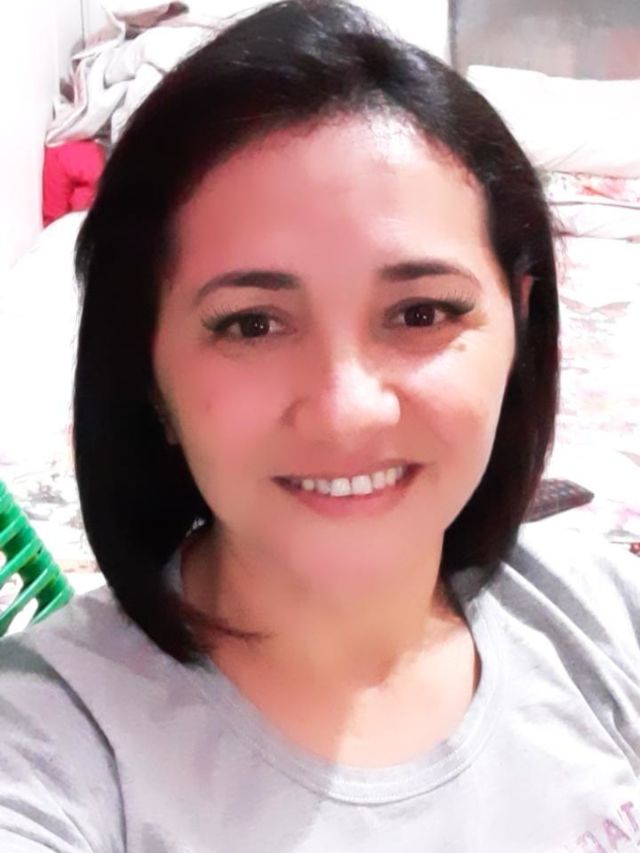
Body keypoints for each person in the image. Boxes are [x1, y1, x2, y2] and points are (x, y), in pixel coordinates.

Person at [1, 1, 639, 850]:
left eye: (420, 312)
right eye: (252, 324)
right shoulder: (53, 746)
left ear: (520, 326)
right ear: (147, 366)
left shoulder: (604, 618)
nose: (347, 410)